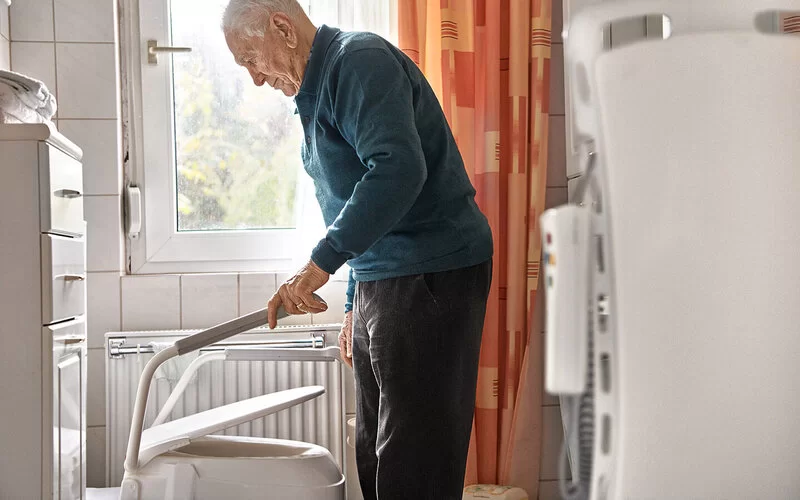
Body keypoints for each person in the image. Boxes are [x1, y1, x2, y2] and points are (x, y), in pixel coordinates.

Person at [222, 1, 493, 498]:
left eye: (251, 60)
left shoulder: (357, 62)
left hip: (430, 269)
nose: (256, 80)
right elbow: (350, 201)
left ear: (281, 28)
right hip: (383, 276)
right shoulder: (315, 87)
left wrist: (319, 264)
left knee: (414, 458)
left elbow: (395, 170)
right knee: (375, 447)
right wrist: (353, 303)